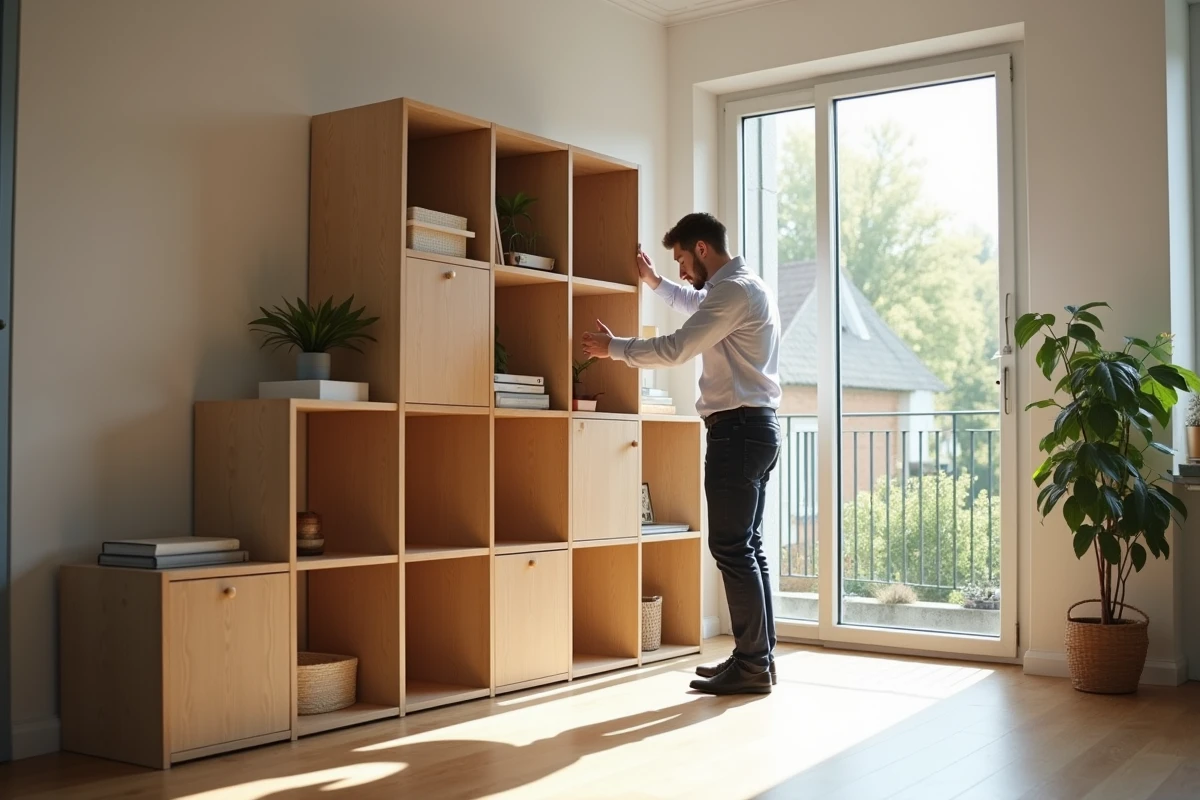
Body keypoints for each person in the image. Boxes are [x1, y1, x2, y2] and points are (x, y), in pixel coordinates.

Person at [580, 212, 782, 695]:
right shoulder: (741, 287)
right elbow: (696, 302)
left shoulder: (733, 293)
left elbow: (677, 347)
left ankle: (753, 665)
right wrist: (656, 283)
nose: (683, 269)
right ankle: (759, 659)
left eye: (683, 260)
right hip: (754, 429)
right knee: (747, 549)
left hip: (736, 431)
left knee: (732, 550)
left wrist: (615, 349)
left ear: (702, 248)